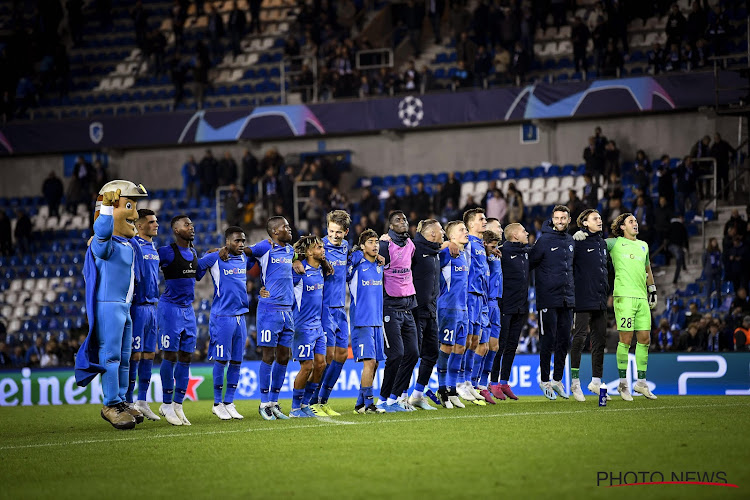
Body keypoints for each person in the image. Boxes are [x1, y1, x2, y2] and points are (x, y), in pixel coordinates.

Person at [74, 180, 149, 430]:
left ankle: (123, 401)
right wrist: (106, 209)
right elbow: (102, 232)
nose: (135, 214)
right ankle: (111, 404)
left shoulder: (126, 244)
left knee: (125, 358)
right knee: (112, 356)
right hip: (108, 306)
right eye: (129, 206)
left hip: (124, 308)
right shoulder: (101, 243)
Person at [578, 213, 658, 400]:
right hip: (623, 297)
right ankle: (623, 384)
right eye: (631, 222)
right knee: (626, 340)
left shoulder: (643, 245)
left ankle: (641, 383)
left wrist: (652, 289)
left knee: (645, 339)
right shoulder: (613, 243)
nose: (635, 224)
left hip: (641, 297)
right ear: (622, 226)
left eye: (636, 221)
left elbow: (648, 269)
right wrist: (581, 235)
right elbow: (594, 244)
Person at [156, 215, 214, 425]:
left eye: (191, 224)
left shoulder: (193, 252)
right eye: (186, 225)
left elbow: (197, 274)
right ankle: (165, 403)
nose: (191, 227)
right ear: (176, 230)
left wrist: (209, 256)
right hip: (170, 309)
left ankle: (178, 405)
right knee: (170, 355)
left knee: (186, 357)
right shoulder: (166, 251)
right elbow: (148, 264)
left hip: (188, 310)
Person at [246, 216, 295, 420]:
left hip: (287, 311)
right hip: (269, 311)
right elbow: (244, 252)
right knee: (268, 356)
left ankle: (274, 402)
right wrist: (221, 251)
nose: (289, 228)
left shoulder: (290, 251)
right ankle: (264, 403)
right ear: (275, 232)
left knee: (284, 356)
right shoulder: (264, 247)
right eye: (285, 226)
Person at [202, 227, 250, 420]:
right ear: (228, 242)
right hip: (223, 317)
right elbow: (196, 266)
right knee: (222, 360)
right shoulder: (216, 258)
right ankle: (217, 403)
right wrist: (211, 251)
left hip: (241, 317)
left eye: (243, 241)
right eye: (237, 241)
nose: (241, 244)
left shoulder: (244, 258)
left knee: (237, 361)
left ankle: (229, 402)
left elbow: (256, 251)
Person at [308, 211, 351, 416]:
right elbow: (297, 253)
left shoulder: (346, 247)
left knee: (342, 355)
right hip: (324, 309)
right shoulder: (318, 247)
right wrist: (298, 260)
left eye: (339, 232)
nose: (335, 235)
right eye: (331, 231)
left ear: (346, 232)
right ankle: (312, 400)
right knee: (328, 356)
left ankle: (323, 401)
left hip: (341, 308)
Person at [530, 205, 575, 400]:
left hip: (568, 298)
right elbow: (529, 264)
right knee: (548, 339)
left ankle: (557, 380)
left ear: (569, 220)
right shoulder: (544, 240)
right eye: (557, 218)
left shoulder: (572, 241)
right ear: (552, 220)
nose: (560, 221)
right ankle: (545, 380)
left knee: (564, 340)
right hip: (548, 297)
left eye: (563, 218)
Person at [376, 211, 419, 412]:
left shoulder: (410, 245)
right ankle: (382, 400)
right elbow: (367, 256)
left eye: (404, 219)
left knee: (412, 353)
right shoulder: (384, 245)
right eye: (397, 220)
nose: (403, 222)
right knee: (396, 354)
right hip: (390, 306)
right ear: (390, 226)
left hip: (408, 306)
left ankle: (394, 398)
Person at [125, 209, 161, 421]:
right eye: (151, 222)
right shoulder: (134, 244)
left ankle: (142, 401)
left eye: (156, 221)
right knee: (134, 355)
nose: (156, 224)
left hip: (152, 307)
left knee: (149, 354)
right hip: (137, 307)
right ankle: (128, 401)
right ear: (140, 226)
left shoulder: (153, 247)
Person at [408, 219, 448, 410]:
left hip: (431, 311)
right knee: (411, 354)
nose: (444, 233)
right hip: (414, 310)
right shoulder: (414, 248)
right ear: (432, 233)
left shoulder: (435, 252)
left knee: (432, 353)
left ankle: (417, 394)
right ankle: (396, 396)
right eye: (441, 230)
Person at [569, 209, 609, 402]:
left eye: (600, 218)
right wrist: (572, 240)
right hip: (583, 298)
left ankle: (596, 381)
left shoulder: (602, 242)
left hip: (600, 300)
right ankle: (575, 382)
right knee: (579, 339)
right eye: (595, 218)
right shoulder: (577, 241)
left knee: (600, 341)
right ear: (584, 223)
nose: (599, 221)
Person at [489, 222, 529, 401]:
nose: (526, 233)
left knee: (512, 346)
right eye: (523, 231)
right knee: (500, 346)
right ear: (514, 235)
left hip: (521, 307)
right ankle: (493, 382)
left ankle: (504, 382)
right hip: (504, 306)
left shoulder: (526, 253)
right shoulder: (502, 252)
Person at [347, 229, 386, 414]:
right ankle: (369, 404)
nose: (375, 244)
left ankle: (360, 404)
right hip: (361, 321)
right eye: (370, 242)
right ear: (362, 246)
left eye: (376, 241)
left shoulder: (379, 265)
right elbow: (345, 265)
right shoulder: (357, 262)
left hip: (377, 321)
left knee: (376, 363)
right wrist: (356, 253)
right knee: (369, 362)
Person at [287, 236, 327, 418]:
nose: (322, 249)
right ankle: (295, 408)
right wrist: (295, 259)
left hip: (318, 326)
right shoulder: (299, 271)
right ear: (309, 252)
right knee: (307, 367)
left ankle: (305, 404)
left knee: (321, 365)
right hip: (302, 327)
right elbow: (281, 266)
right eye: (318, 247)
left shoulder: (321, 270)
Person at [435, 220, 471, 409]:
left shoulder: (465, 253)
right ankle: (441, 389)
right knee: (447, 348)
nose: (466, 232)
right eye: (462, 230)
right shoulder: (447, 252)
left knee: (460, 349)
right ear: (452, 236)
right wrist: (445, 244)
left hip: (463, 309)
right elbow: (431, 252)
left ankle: (452, 389)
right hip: (447, 308)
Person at [461, 208, 489, 405]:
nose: (485, 221)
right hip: (470, 295)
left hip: (480, 296)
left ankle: (469, 382)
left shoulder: (479, 244)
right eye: (481, 219)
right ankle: (460, 382)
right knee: (467, 340)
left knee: (475, 340)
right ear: (471, 224)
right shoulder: (468, 243)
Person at [478, 223, 502, 403]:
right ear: (484, 244)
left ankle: (484, 383)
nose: (495, 250)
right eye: (492, 246)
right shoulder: (479, 260)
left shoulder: (495, 258)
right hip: (483, 304)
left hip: (495, 305)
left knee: (494, 347)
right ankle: (474, 383)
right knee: (481, 347)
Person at [703, 237, 723, 301]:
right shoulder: (707, 251)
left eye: (716, 241)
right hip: (709, 271)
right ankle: (708, 302)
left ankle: (719, 301)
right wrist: (706, 268)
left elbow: (720, 260)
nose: (715, 243)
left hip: (717, 271)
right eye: (714, 242)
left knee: (718, 287)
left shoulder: (718, 251)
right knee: (709, 287)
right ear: (710, 243)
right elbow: (703, 261)